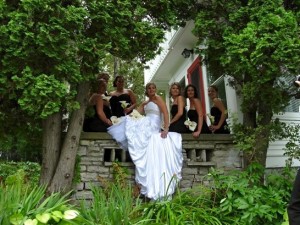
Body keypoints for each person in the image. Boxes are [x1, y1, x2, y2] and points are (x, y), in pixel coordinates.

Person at [108, 82, 183, 200]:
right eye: (149, 88)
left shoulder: (158, 98)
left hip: (154, 124)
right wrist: (126, 113)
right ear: (147, 90)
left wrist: (166, 128)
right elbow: (136, 114)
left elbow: (165, 112)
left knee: (141, 126)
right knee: (131, 122)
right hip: (147, 121)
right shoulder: (145, 102)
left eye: (153, 87)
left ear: (156, 89)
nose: (152, 89)